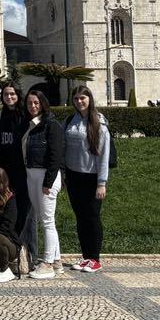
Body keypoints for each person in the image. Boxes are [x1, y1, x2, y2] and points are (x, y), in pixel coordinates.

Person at [64, 85, 110, 273]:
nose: (79, 102)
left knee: (92, 217)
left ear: (89, 99)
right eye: (76, 98)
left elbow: (103, 155)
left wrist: (102, 183)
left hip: (91, 177)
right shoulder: (70, 120)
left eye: (82, 98)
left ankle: (95, 258)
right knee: (81, 218)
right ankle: (86, 256)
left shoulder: (98, 123)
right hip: (73, 176)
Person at [21, 89, 65, 279]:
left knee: (47, 220)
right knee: (43, 218)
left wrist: (48, 181)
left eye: (36, 103)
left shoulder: (51, 124)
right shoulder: (30, 124)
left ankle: (47, 263)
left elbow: (56, 155)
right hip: (31, 174)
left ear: (43, 104)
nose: (32, 106)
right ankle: (57, 261)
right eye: (29, 103)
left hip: (46, 175)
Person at [0, 82, 31, 265]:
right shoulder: (0, 115)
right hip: (5, 170)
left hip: (22, 170)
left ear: (18, 95)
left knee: (24, 211)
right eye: (6, 94)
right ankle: (9, 248)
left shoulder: (25, 114)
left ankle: (25, 250)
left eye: (12, 94)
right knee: (7, 209)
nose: (9, 97)